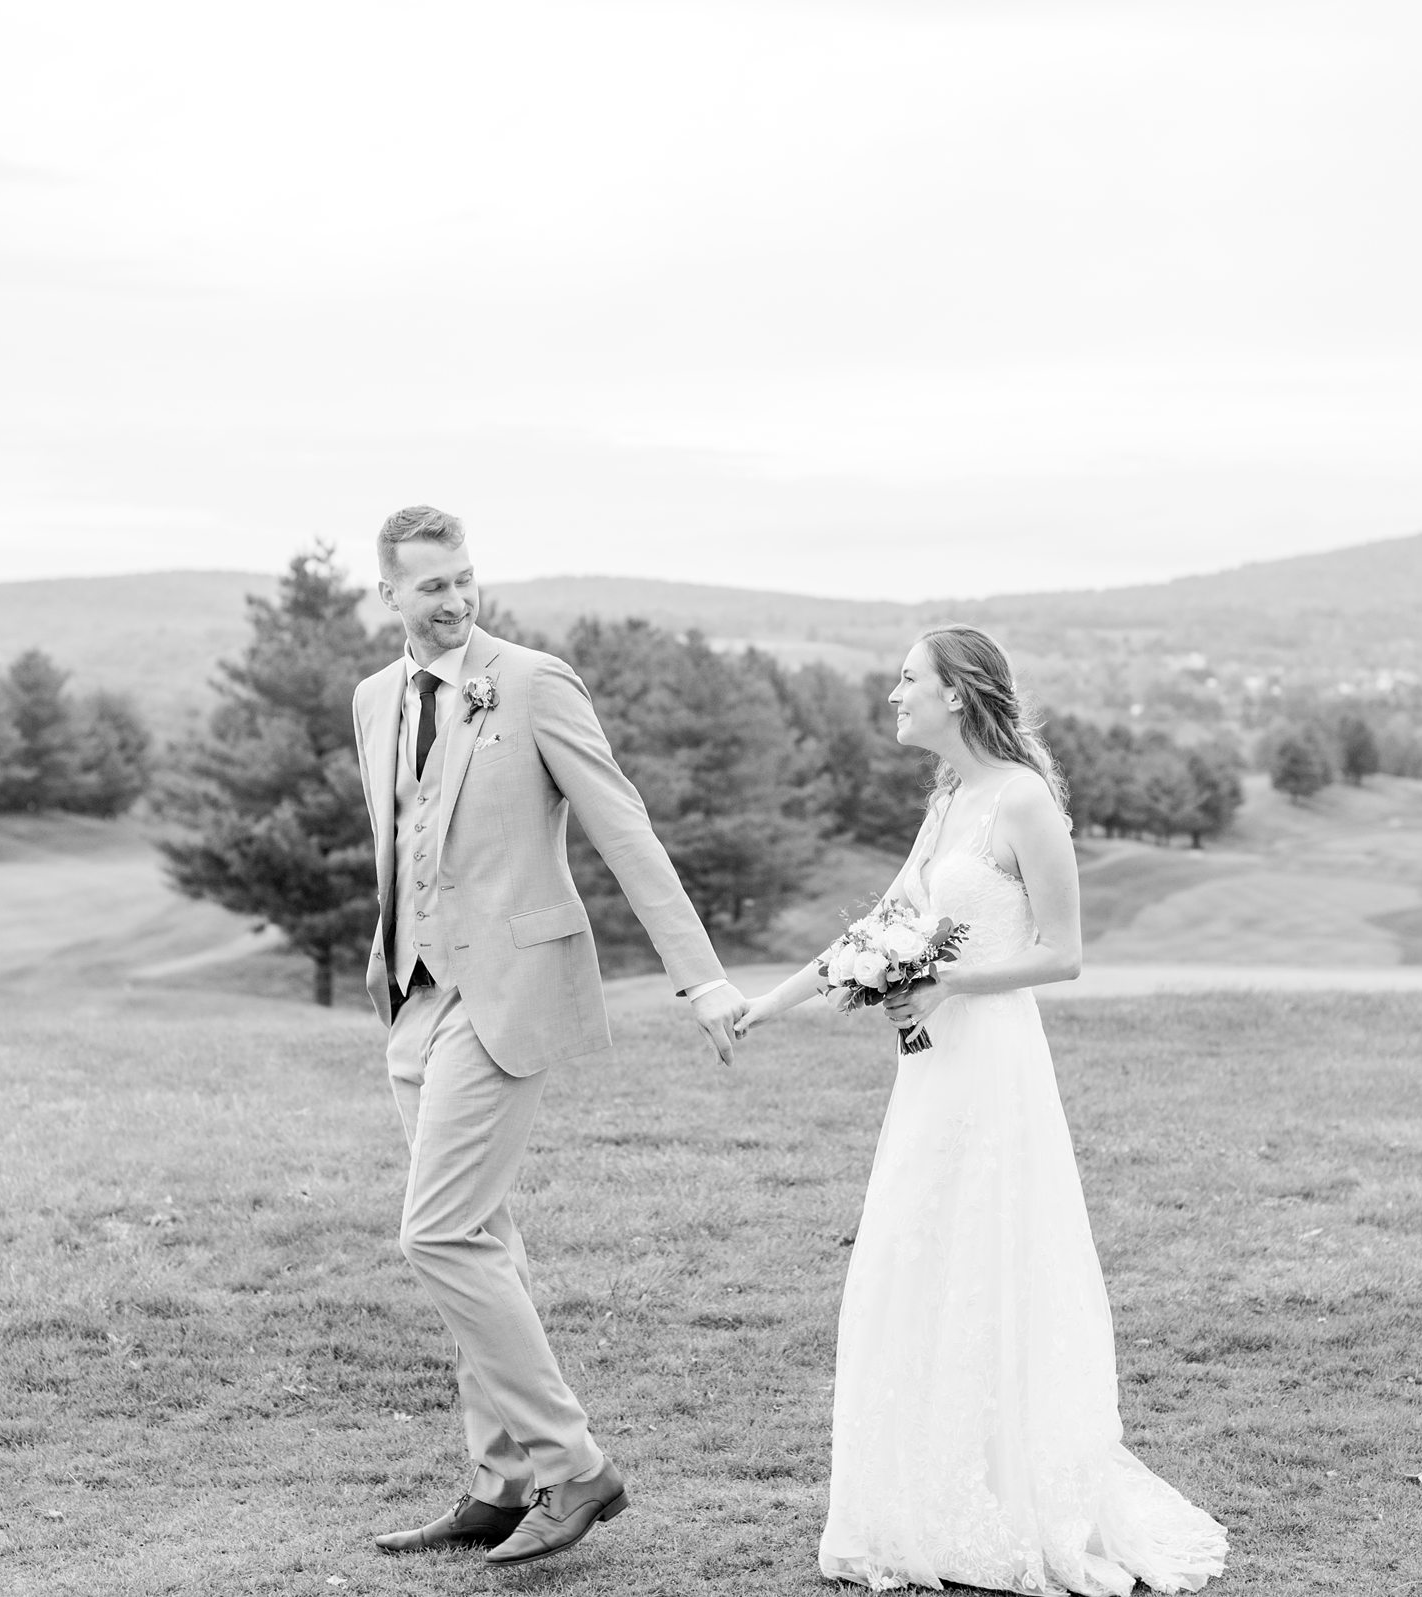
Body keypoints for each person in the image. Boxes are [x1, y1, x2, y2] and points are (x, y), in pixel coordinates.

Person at [739, 624, 1228, 1595]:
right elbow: (879, 927)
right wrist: (764, 1006)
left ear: (957, 694)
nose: (893, 694)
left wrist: (951, 980)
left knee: (985, 1262)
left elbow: (1065, 952)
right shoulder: (949, 797)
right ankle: (920, 1494)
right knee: (913, 1259)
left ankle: (1003, 1500)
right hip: (930, 1071)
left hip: (993, 1063)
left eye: (908, 679)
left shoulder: (1024, 802)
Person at [351, 506, 750, 1568]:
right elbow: (404, 844)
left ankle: (574, 1465)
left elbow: (624, 827)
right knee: (483, 1242)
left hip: (509, 992)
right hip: (414, 999)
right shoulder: (374, 699)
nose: (453, 598)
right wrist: (388, 963)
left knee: (435, 1234)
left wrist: (700, 980)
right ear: (386, 592)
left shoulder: (532, 682)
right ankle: (498, 1480)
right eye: (430, 584)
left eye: (464, 578)